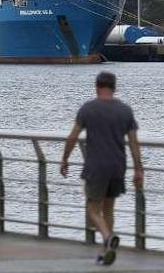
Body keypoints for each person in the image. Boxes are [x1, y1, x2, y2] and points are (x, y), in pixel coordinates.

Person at [61, 71, 143, 266]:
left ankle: (107, 236)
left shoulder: (88, 109)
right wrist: (139, 169)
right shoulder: (125, 111)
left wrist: (65, 159)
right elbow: (133, 143)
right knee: (108, 208)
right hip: (118, 166)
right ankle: (104, 252)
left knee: (92, 209)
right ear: (114, 88)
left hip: (96, 166)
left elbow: (73, 136)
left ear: (96, 87)